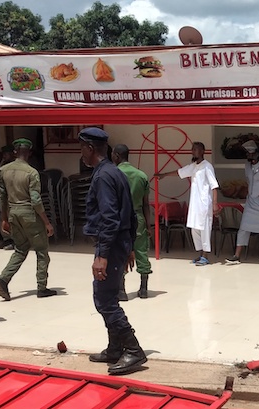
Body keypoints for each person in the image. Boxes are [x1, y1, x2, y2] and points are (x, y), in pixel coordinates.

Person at [79, 127, 146, 375]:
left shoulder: (103, 177)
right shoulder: (114, 172)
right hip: (119, 244)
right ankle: (114, 348)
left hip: (110, 245)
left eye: (82, 149)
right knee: (108, 297)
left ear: (89, 148)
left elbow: (110, 219)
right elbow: (129, 213)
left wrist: (102, 256)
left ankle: (133, 349)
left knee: (105, 300)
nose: (81, 154)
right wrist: (128, 247)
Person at [0, 138, 57, 301]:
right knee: (42, 251)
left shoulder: (3, 170)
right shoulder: (31, 172)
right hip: (29, 214)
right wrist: (47, 222)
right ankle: (41, 287)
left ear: (15, 152)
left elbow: (2, 196)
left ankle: (3, 279)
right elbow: (36, 200)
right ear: (29, 153)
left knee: (20, 250)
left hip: (13, 213)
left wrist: (4, 218)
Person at [154, 142, 219, 266]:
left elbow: (214, 186)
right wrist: (164, 175)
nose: (193, 151)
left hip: (204, 205)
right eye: (192, 149)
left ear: (202, 151)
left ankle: (205, 256)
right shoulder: (194, 166)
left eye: (195, 149)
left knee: (204, 229)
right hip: (195, 205)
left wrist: (215, 204)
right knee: (195, 229)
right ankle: (200, 254)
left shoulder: (207, 166)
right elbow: (180, 172)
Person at [112, 144, 152, 299]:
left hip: (119, 218)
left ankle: (121, 290)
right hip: (138, 217)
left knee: (120, 252)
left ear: (116, 155)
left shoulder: (114, 174)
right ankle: (143, 289)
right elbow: (146, 204)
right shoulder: (141, 176)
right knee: (141, 251)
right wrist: (148, 225)